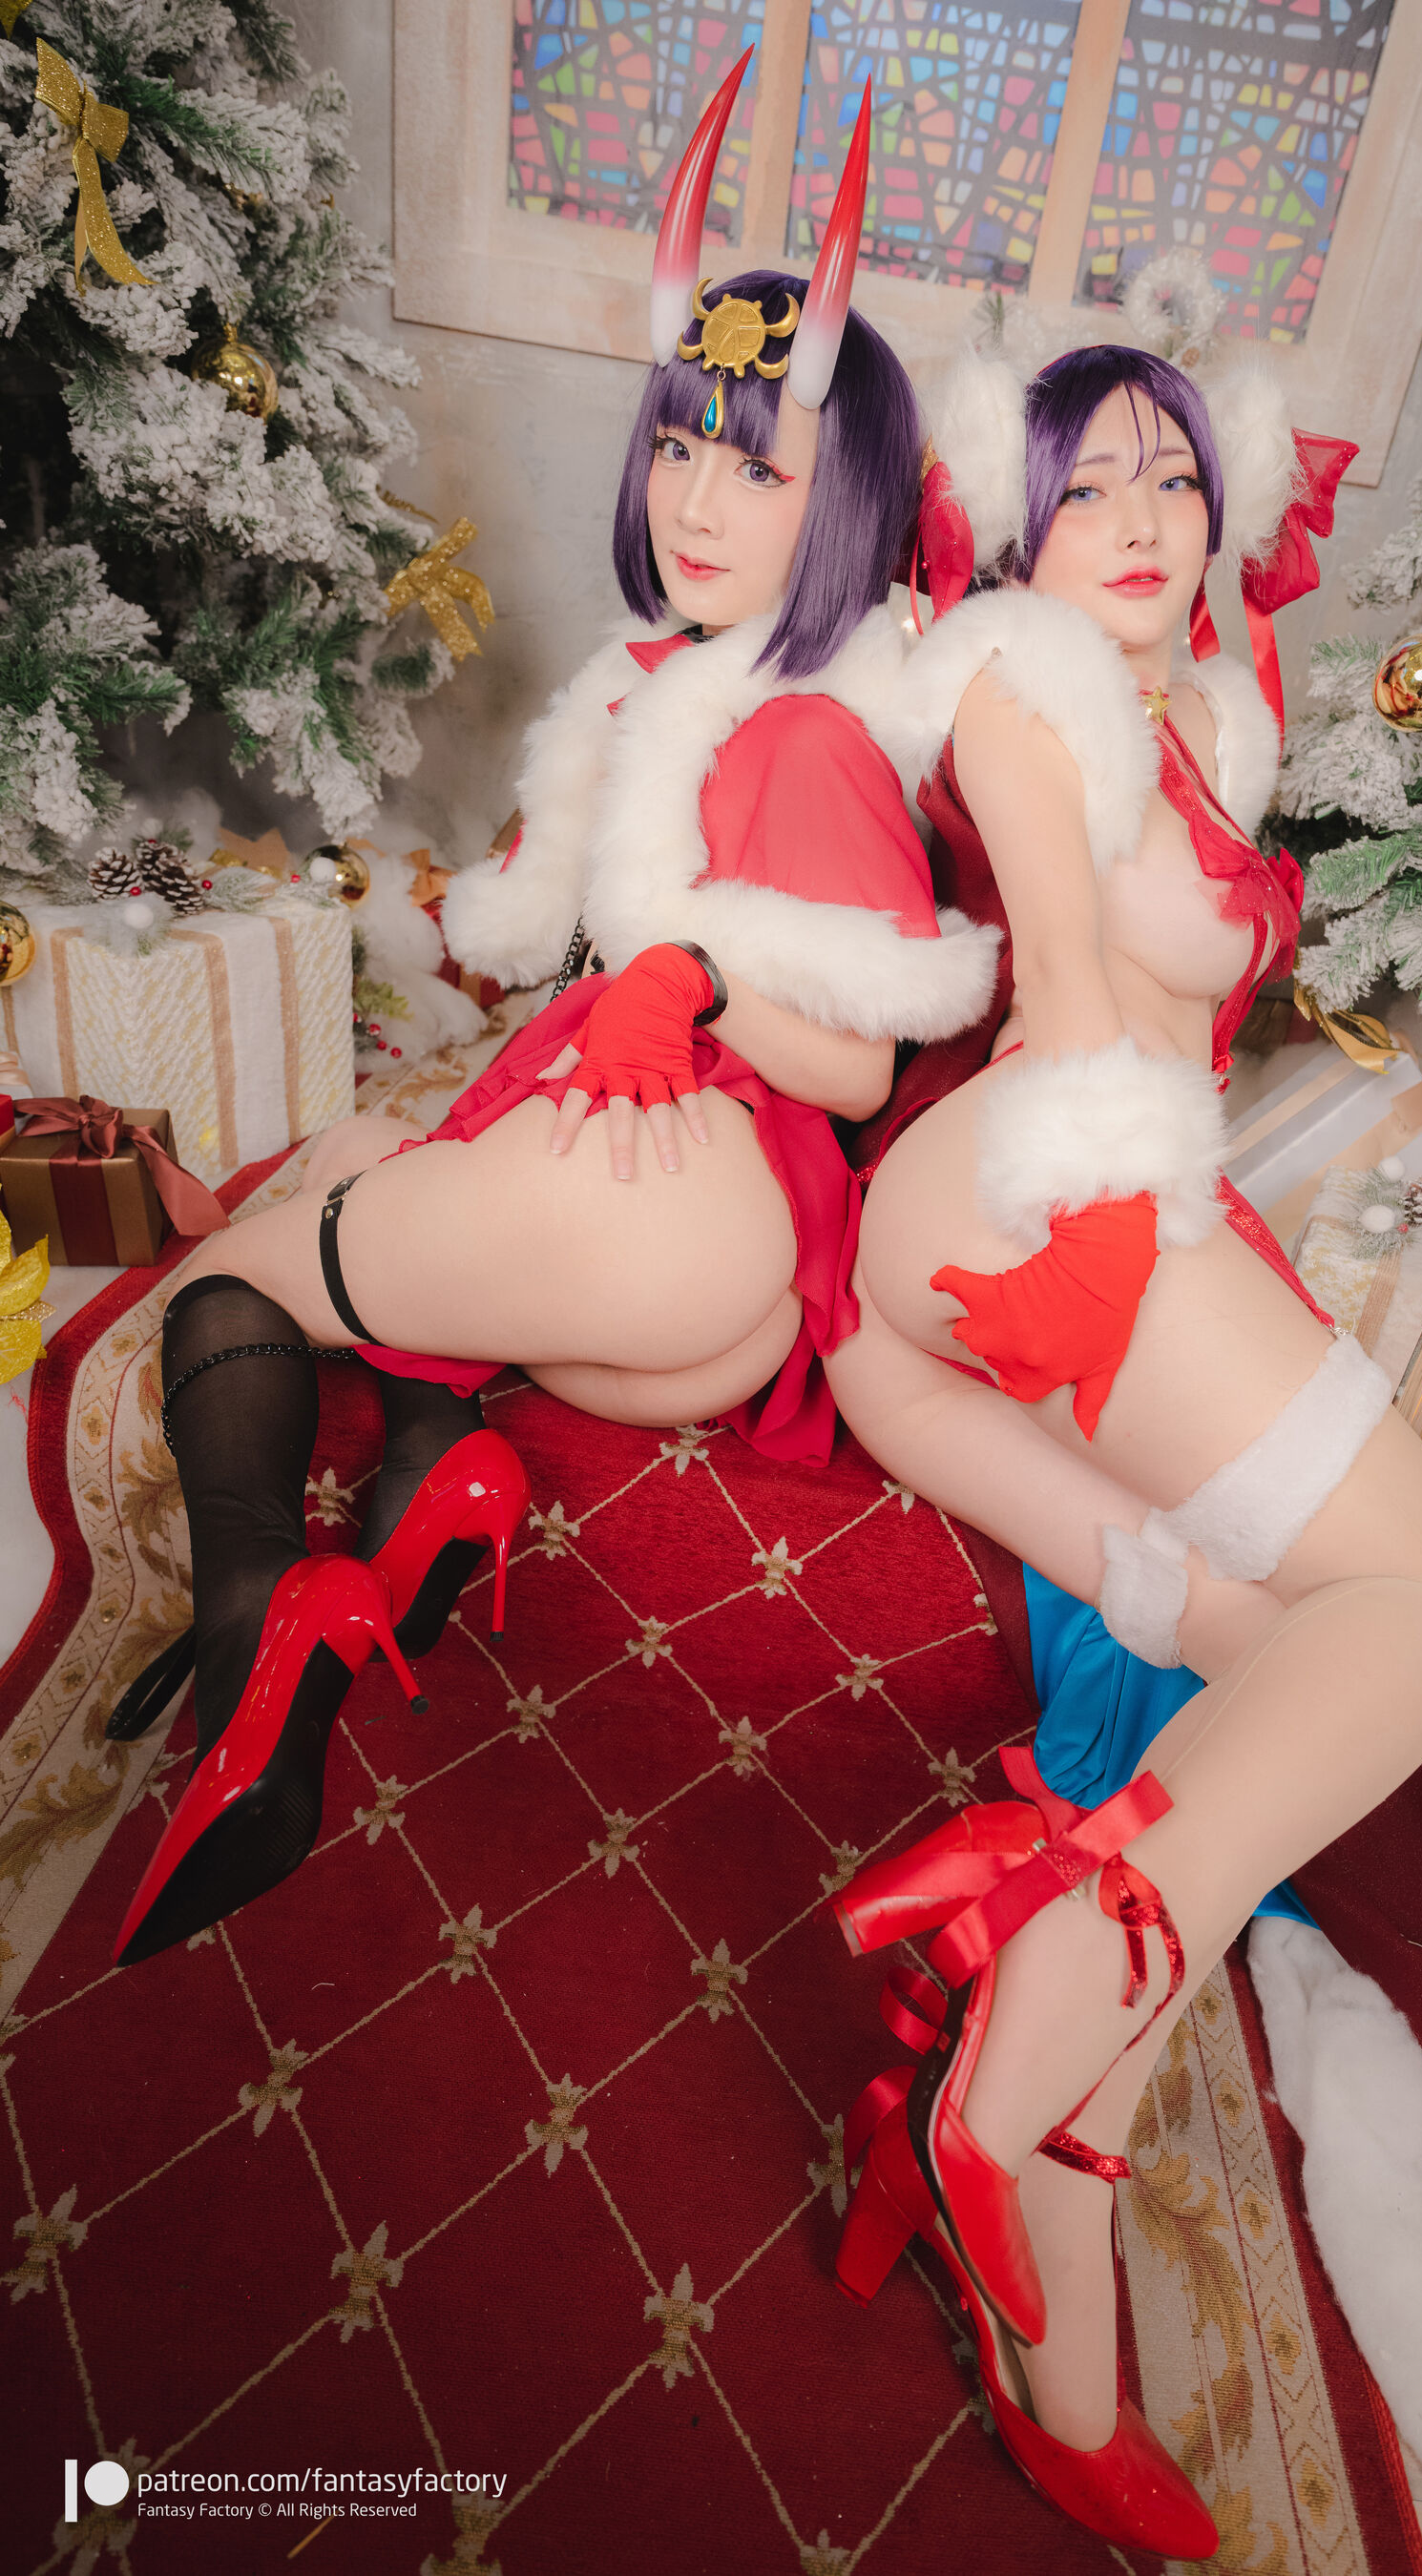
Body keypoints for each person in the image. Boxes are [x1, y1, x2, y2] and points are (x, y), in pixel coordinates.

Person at [111, 64, 998, 1971]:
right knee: (370, 1155)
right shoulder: (669, 690)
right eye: (679, 445)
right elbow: (569, 933)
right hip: (684, 1274)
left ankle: (258, 1621)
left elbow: (859, 1058)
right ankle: (441, 1487)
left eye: (756, 467)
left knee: (226, 1293)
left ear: (842, 499)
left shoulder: (811, 725)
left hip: (685, 1203)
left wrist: (690, 975)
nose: (695, 499)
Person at [820, 343, 1422, 2557]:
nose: (1137, 516)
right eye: (1086, 485)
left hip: (1116, 1183)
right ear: (1017, 532)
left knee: (1286, 1663)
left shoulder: (1211, 700)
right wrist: (1120, 1207)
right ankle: (1024, 2041)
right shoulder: (1025, 684)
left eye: (1171, 479)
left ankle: (1038, 2198)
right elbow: (1061, 981)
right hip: (1048, 1173)